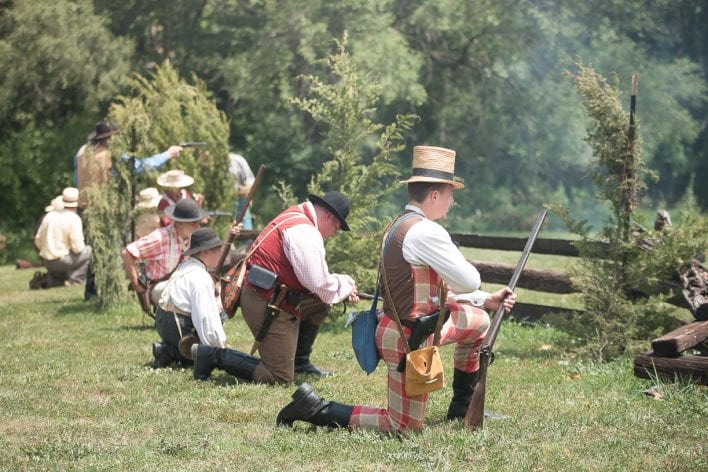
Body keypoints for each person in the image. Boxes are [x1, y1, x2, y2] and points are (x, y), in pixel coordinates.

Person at [276, 145, 517, 432]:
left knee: (480, 322)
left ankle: (462, 408)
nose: (452, 202)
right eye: (450, 194)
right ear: (435, 194)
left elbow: (426, 288)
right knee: (402, 426)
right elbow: (468, 280)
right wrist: (476, 289)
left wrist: (483, 299)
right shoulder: (427, 231)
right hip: (408, 339)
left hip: (413, 326)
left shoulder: (399, 224)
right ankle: (316, 408)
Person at [191, 191, 359, 384]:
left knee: (321, 303)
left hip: (268, 295)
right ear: (328, 217)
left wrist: (341, 289)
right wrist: (346, 284)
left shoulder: (295, 214)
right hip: (266, 303)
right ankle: (212, 356)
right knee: (279, 377)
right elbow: (319, 284)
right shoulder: (304, 232)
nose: (334, 233)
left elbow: (318, 286)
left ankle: (300, 362)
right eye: (336, 227)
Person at [151, 228, 231, 368]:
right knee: (221, 314)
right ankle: (174, 352)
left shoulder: (185, 266)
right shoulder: (200, 277)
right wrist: (218, 350)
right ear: (205, 252)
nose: (220, 254)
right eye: (217, 250)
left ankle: (167, 350)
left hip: (163, 321)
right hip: (178, 325)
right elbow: (205, 318)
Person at [121, 199, 208, 313]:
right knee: (181, 290)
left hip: (179, 285)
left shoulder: (191, 239)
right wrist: (137, 285)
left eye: (198, 222)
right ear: (179, 223)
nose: (198, 226)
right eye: (193, 223)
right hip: (157, 287)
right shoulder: (161, 238)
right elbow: (127, 253)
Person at [74, 121, 183, 211]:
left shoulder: (82, 151)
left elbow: (77, 179)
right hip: (108, 209)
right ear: (113, 138)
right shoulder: (113, 155)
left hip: (83, 209)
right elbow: (142, 166)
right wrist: (168, 154)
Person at [33, 187, 92, 288]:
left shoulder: (49, 216)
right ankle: (75, 280)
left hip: (47, 261)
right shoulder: (74, 219)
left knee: (57, 280)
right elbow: (78, 249)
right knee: (90, 252)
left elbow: (37, 241)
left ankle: (52, 282)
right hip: (63, 261)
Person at [228, 152, 255, 230]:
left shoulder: (237, 160)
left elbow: (251, 182)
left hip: (241, 199)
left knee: (246, 229)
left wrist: (244, 192)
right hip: (224, 202)